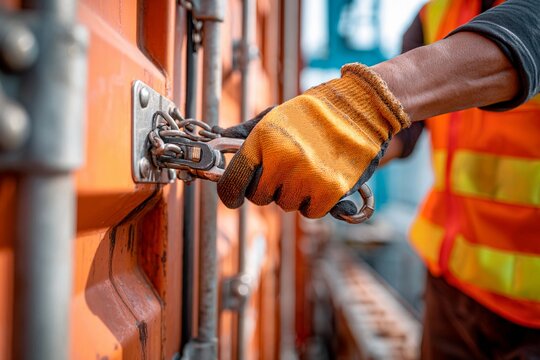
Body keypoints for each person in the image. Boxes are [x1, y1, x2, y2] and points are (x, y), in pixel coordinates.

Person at [215, 0, 539, 357]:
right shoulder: (438, 12)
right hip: (452, 288)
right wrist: (334, 149)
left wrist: (366, 104)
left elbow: (526, 34)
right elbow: (406, 127)